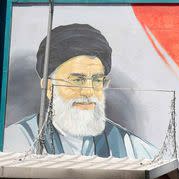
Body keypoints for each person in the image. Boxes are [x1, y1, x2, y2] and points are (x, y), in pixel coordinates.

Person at [5, 23, 156, 158]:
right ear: (49, 87)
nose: (89, 91)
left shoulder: (129, 146)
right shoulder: (17, 140)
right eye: (77, 80)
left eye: (97, 80)